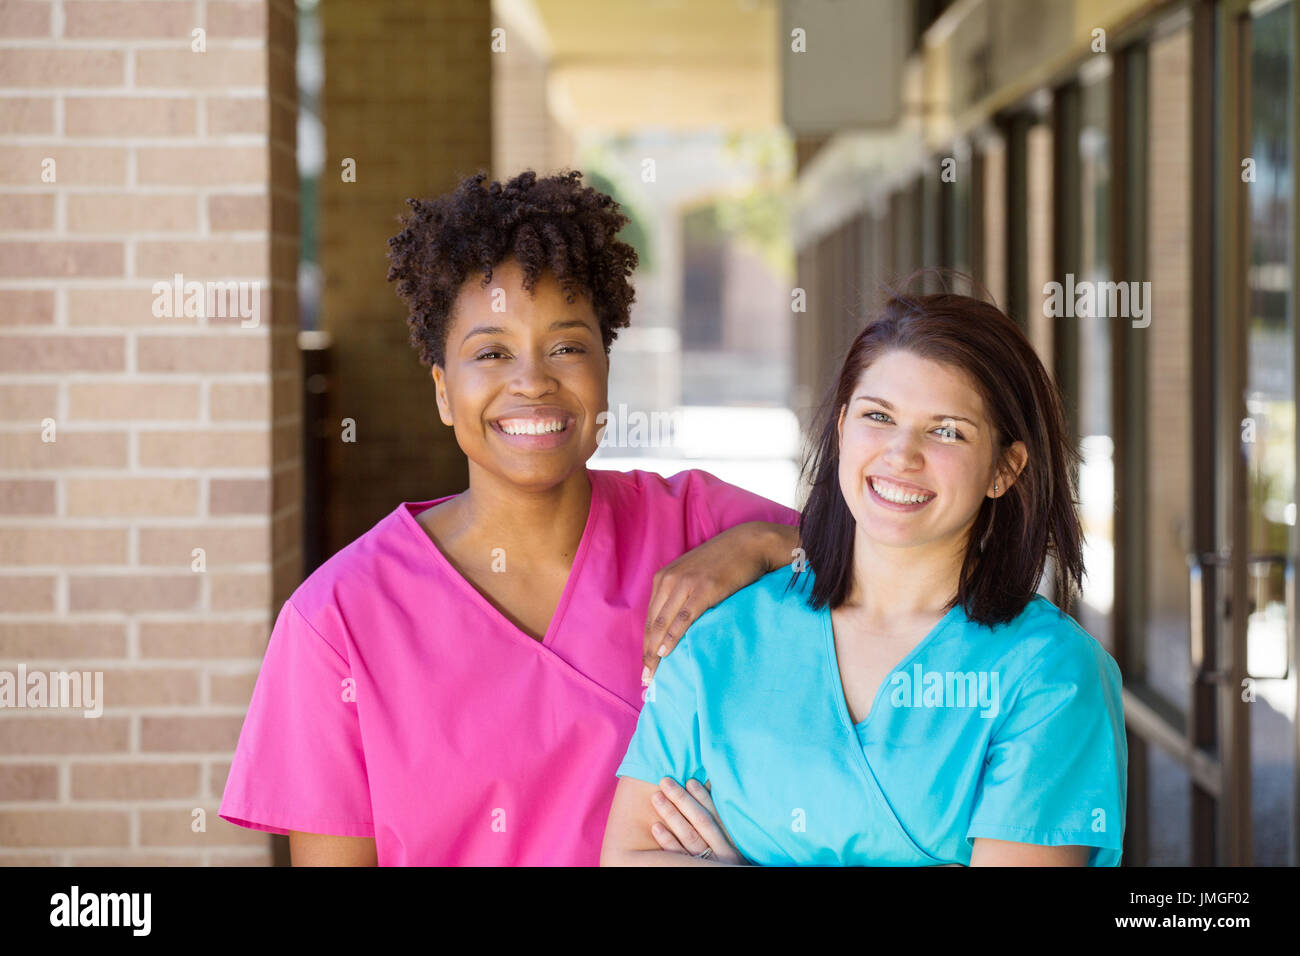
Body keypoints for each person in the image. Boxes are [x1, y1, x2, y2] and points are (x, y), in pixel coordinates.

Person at [218, 170, 799, 865]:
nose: (532, 381)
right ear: (442, 391)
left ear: (605, 369)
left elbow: (928, 574)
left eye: (567, 347)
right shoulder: (338, 622)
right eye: (491, 352)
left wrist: (766, 545)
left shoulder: (702, 529)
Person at [602, 286, 1128, 866]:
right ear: (843, 426)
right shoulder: (721, 639)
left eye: (947, 430)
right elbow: (628, 855)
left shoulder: (1050, 674)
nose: (902, 454)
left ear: (1005, 468)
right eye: (879, 417)